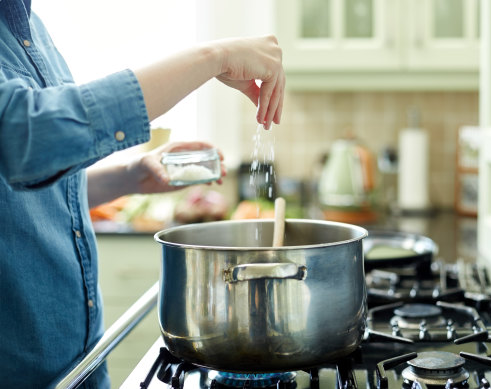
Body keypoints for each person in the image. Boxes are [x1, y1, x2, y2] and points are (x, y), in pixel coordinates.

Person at [0, 0, 285, 387]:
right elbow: (26, 133)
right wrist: (214, 57)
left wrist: (132, 176)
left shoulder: (30, 28)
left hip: (81, 367)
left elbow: (26, 192)